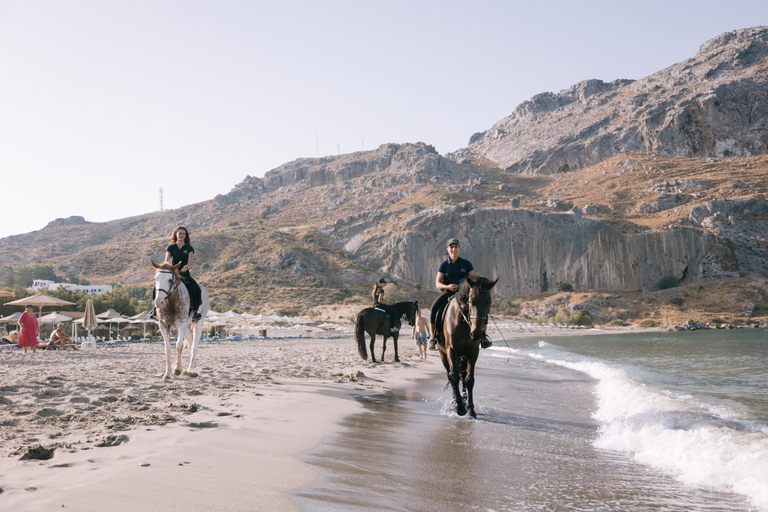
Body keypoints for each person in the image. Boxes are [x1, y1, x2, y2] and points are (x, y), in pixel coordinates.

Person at [428, 238, 492, 350]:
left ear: (459, 249)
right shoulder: (443, 265)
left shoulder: (466, 264)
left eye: (456, 247)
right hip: (449, 293)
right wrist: (448, 286)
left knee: (482, 309)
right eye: (451, 247)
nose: (454, 249)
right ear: (448, 249)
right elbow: (438, 283)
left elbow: (474, 281)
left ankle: (483, 337)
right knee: (434, 309)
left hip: (465, 295)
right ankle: (433, 337)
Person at [152, 226, 203, 321]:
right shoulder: (171, 247)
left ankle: (196, 311)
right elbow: (166, 260)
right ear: (176, 234)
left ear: (186, 235)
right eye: (180, 233)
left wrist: (186, 267)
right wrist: (170, 269)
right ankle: (155, 309)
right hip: (172, 272)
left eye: (184, 234)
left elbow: (190, 260)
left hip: (184, 272)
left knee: (196, 288)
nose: (181, 235)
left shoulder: (189, 247)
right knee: (156, 287)